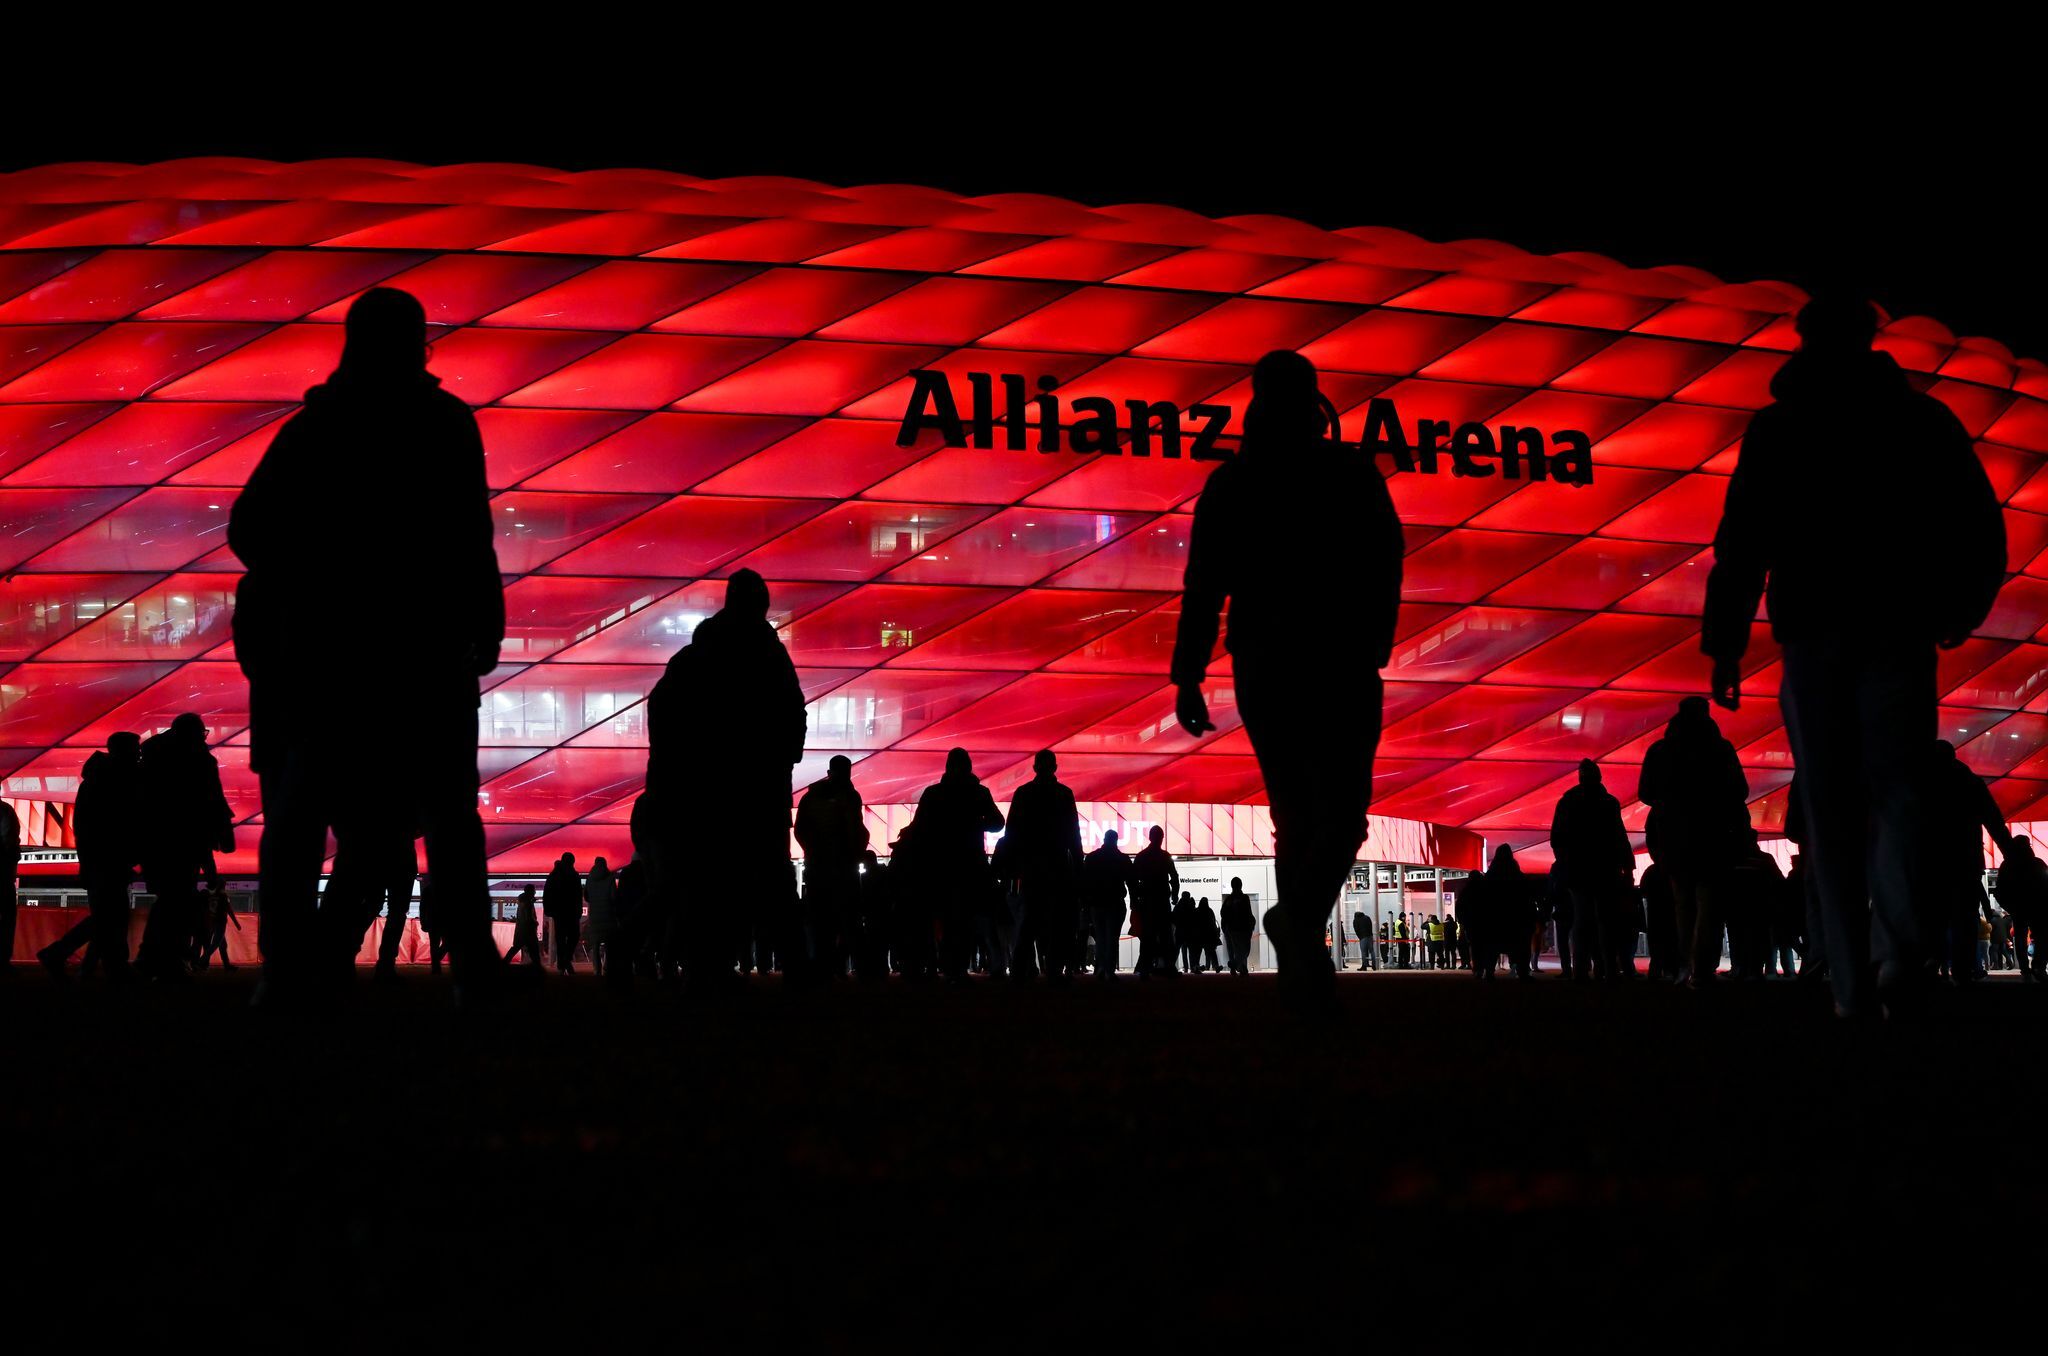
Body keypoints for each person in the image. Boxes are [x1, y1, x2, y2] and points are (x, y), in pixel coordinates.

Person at [1703, 289, 2005, 1019]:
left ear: (1805, 341)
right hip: (1897, 624)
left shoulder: (1779, 428)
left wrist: (1727, 645)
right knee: (1898, 790)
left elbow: (1742, 540)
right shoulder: (1920, 420)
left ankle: (1849, 981)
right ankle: (1900, 955)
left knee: (1829, 801)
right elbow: (1977, 523)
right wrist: (1959, 610)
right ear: (1870, 339)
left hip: (1813, 630)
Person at [229, 288, 507, 1005]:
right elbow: (473, 538)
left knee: (302, 813)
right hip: (427, 650)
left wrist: (310, 582)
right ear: (416, 345)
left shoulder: (316, 428)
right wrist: (484, 622)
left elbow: (248, 529)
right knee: (446, 812)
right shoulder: (445, 423)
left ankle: (287, 972)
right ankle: (474, 968)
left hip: (328, 654)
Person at [1174, 350, 1402, 1011]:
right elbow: (1387, 560)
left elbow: (1204, 586)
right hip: (1341, 657)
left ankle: (1299, 941)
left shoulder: (1234, 482)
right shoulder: (1351, 474)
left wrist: (1189, 675)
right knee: (1342, 810)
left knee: (1294, 812)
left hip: (1264, 660)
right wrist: (1376, 641)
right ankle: (1300, 929)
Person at [643, 568, 807, 989]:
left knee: (709, 880)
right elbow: (793, 711)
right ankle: (794, 964)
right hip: (760, 787)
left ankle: (708, 966)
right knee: (771, 876)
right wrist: (784, 760)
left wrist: (671, 777)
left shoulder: (696, 656)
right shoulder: (769, 656)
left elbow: (663, 715)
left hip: (705, 790)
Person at [1639, 697, 1749, 987]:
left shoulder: (1661, 750)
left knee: (1683, 904)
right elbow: (1740, 791)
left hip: (1673, 839)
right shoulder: (1721, 749)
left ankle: (1685, 965)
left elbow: (1645, 793)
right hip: (1713, 837)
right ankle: (1702, 967)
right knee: (1709, 904)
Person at [40, 732, 146, 979]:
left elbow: (86, 826)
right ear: (124, 751)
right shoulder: (114, 781)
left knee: (108, 915)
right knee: (111, 915)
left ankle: (91, 962)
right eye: (135, 749)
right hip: (108, 858)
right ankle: (67, 955)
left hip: (99, 858)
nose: (138, 753)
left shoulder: (98, 780)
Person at [909, 749, 1004, 982]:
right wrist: (976, 823)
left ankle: (945, 964)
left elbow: (919, 827)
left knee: (944, 917)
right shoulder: (979, 793)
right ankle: (959, 967)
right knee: (967, 918)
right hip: (971, 864)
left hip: (940, 864)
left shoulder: (934, 794)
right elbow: (997, 822)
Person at [1921, 739, 2011, 983]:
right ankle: (1963, 970)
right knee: (1965, 917)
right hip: (1965, 860)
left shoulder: (1923, 783)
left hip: (1931, 862)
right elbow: (1994, 821)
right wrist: (2010, 853)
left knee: (1932, 914)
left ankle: (1932, 961)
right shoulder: (1970, 783)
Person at [1000, 750, 1083, 983]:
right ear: (1055, 767)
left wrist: (1012, 867)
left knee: (1029, 920)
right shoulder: (1064, 794)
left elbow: (1011, 833)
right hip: (1057, 866)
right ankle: (1054, 969)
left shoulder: (1023, 793)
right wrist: (1078, 867)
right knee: (1057, 922)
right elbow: (1074, 834)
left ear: (1035, 767)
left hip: (1031, 867)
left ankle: (1020, 970)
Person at [1549, 760, 1634, 982]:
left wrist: (1565, 862)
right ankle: (1609, 968)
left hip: (1578, 870)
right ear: (1599, 777)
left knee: (1581, 919)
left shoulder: (1567, 802)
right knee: (1606, 920)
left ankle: (1580, 969)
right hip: (1606, 869)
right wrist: (1627, 867)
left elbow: (1557, 838)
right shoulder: (1609, 803)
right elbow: (1619, 836)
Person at [795, 755, 870, 978]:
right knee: (849, 918)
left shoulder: (811, 797)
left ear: (829, 772)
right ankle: (848, 966)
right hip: (844, 866)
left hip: (818, 866)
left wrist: (812, 852)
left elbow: (800, 831)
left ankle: (822, 965)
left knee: (820, 920)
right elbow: (856, 830)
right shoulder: (850, 796)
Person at [1993, 838, 2048, 982]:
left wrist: (2010, 907)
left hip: (2018, 909)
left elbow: (1999, 891)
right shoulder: (2038, 863)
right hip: (2038, 908)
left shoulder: (2007, 865)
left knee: (2021, 938)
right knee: (2042, 937)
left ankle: (2025, 968)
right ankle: (2039, 967)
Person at [1130, 826, 1180, 978]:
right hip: (1162, 900)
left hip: (1147, 901)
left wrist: (1134, 899)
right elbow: (1174, 877)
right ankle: (1168, 967)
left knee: (1147, 937)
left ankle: (1145, 968)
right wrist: (1175, 895)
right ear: (1161, 838)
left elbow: (1133, 880)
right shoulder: (1165, 856)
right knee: (1166, 936)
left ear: (1150, 837)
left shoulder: (1141, 856)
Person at [1080, 830, 1131, 979]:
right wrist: (1135, 900)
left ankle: (1101, 966)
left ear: (1104, 839)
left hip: (1097, 902)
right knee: (1112, 937)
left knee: (1101, 936)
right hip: (1115, 901)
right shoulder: (1122, 858)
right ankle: (1109, 969)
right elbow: (1131, 880)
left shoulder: (1092, 857)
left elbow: (1084, 882)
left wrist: (1085, 902)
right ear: (1116, 840)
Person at [543, 853, 581, 974]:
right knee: (573, 936)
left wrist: (548, 909)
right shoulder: (574, 875)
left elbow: (547, 893)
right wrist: (579, 910)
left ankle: (562, 964)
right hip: (571, 911)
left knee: (561, 939)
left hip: (558, 912)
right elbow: (578, 895)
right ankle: (565, 961)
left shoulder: (554, 875)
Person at [583, 856, 616, 979]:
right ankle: (607, 967)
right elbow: (614, 896)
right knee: (609, 945)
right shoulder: (610, 878)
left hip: (594, 916)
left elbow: (586, 896)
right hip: (608, 915)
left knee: (595, 945)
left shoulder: (590, 878)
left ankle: (597, 970)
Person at [195, 883, 240, 970]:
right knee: (216, 944)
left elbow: (210, 910)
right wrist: (236, 923)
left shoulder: (213, 896)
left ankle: (226, 965)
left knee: (222, 945)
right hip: (221, 922)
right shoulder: (223, 896)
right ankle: (200, 962)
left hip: (214, 922)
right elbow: (229, 909)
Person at [506, 884, 543, 968]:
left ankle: (505, 962)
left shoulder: (522, 901)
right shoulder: (528, 903)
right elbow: (528, 917)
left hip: (521, 930)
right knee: (534, 950)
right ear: (530, 891)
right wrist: (535, 923)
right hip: (528, 931)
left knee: (516, 947)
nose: (535, 892)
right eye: (534, 890)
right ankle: (537, 966)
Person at [1223, 881, 1255, 975]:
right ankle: (1241, 966)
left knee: (1238, 949)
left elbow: (1223, 913)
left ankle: (1236, 964)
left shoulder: (1229, 899)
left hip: (1234, 928)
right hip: (1242, 928)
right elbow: (1248, 912)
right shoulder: (1244, 898)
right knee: (1244, 949)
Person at [0, 797, 17, 974]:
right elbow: (9, 841)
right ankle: (2, 961)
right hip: (2, 873)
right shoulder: (5, 811)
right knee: (7, 917)